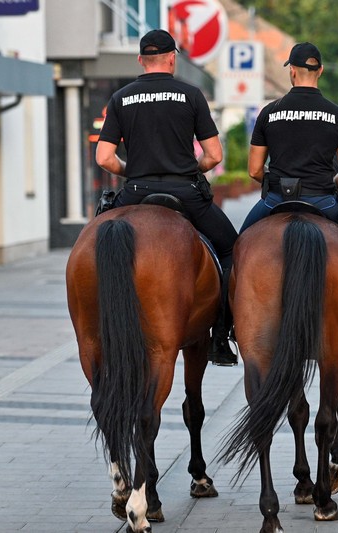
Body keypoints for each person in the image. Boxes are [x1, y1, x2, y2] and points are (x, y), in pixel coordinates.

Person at [239, 42, 338, 356]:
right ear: (320, 71)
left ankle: (228, 326)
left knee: (237, 249)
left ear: (292, 71)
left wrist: (275, 182)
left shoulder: (269, 113)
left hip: (274, 201)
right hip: (323, 201)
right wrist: (331, 182)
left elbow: (255, 170)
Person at [95, 29, 238, 366]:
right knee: (233, 249)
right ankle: (220, 334)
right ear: (173, 58)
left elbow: (104, 158)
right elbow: (214, 155)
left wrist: (133, 171)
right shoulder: (191, 94)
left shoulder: (120, 98)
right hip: (185, 192)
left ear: (140, 60)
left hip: (135, 192)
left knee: (98, 245)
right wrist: (192, 167)